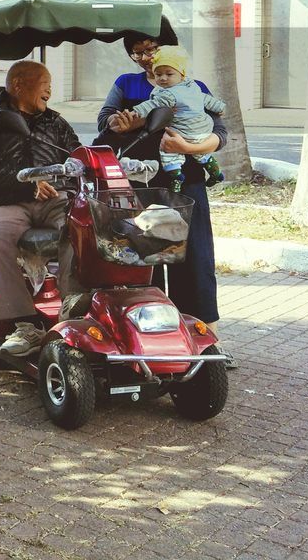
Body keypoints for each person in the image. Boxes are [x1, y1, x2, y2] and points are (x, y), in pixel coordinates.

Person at [95, 33, 236, 366]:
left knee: (195, 259)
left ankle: (206, 342)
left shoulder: (193, 85)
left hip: (186, 182)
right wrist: (121, 123)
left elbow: (220, 133)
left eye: (151, 49)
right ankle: (150, 341)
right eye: (136, 52)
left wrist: (189, 149)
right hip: (141, 184)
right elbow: (105, 123)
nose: (145, 58)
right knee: (147, 260)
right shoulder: (126, 85)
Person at [0, 60, 81, 356]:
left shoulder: (55, 122)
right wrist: (24, 184)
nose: (51, 89)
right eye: (45, 83)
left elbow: (78, 160)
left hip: (55, 197)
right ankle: (23, 323)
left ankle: (73, 312)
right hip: (6, 200)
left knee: (83, 225)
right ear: (18, 85)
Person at [129, 46, 225, 190]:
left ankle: (176, 179)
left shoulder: (167, 94)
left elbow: (152, 105)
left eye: (169, 74)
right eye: (158, 74)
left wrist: (136, 111)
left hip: (184, 132)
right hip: (203, 131)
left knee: (169, 153)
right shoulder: (194, 88)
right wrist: (221, 108)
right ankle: (216, 173)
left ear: (182, 74)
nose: (163, 78)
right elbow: (208, 100)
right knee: (202, 154)